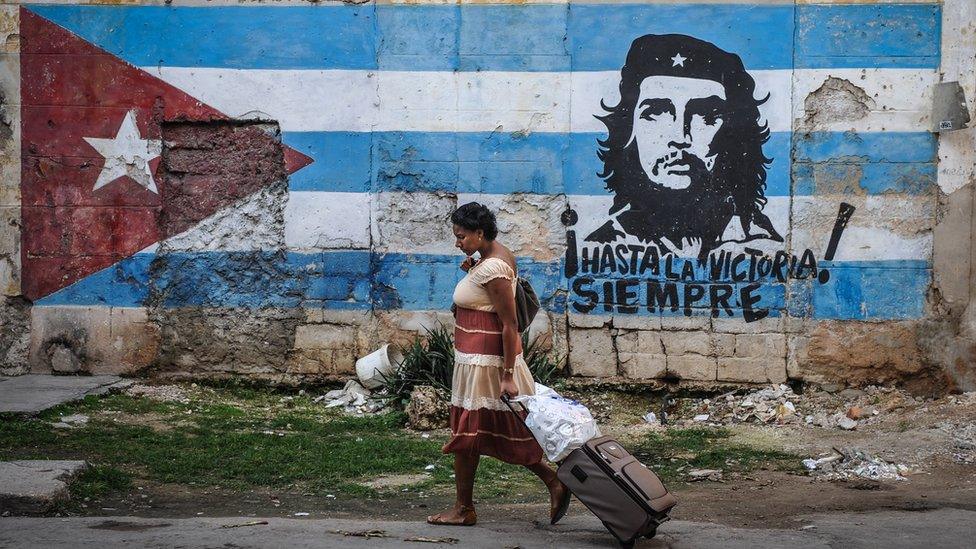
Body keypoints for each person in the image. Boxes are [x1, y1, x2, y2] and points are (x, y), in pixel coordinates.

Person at [426, 202, 570, 527]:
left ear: (479, 233)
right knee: (487, 431)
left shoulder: (495, 269)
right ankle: (551, 482)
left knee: (470, 432)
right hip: (474, 362)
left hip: (486, 366)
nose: (457, 242)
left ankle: (465, 509)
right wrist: (472, 270)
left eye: (462, 236)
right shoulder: (491, 256)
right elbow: (484, 299)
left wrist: (507, 375)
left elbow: (509, 325)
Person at [586, 33, 783, 259]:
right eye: (655, 113)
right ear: (628, 131)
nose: (680, 136)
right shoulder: (604, 246)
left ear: (736, 135)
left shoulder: (759, 242)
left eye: (706, 115)